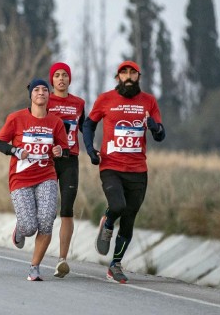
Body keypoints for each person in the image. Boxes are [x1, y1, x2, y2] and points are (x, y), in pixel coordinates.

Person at [83, 60, 165, 284]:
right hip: (111, 166)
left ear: (138, 77)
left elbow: (160, 134)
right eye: (124, 73)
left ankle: (115, 265)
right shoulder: (105, 99)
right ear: (117, 77)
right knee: (118, 205)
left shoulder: (148, 101)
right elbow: (88, 125)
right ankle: (108, 223)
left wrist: (155, 127)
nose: (128, 76)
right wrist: (90, 150)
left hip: (138, 170)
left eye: (133, 73)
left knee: (129, 218)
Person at [0, 78, 68, 281]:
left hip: (46, 176)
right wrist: (15, 150)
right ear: (31, 95)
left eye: (45, 90)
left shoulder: (56, 122)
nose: (42, 93)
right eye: (37, 90)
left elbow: (65, 149)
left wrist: (60, 150)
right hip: (21, 178)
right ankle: (20, 229)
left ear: (49, 95)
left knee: (46, 221)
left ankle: (34, 267)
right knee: (29, 226)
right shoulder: (16, 118)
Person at [46, 62, 86, 278]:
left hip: (70, 159)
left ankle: (62, 260)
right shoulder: (45, 99)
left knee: (67, 209)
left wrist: (92, 149)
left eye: (65, 75)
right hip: (48, 159)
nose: (61, 79)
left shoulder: (79, 103)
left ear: (69, 79)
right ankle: (24, 227)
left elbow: (85, 128)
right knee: (47, 208)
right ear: (51, 80)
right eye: (57, 75)